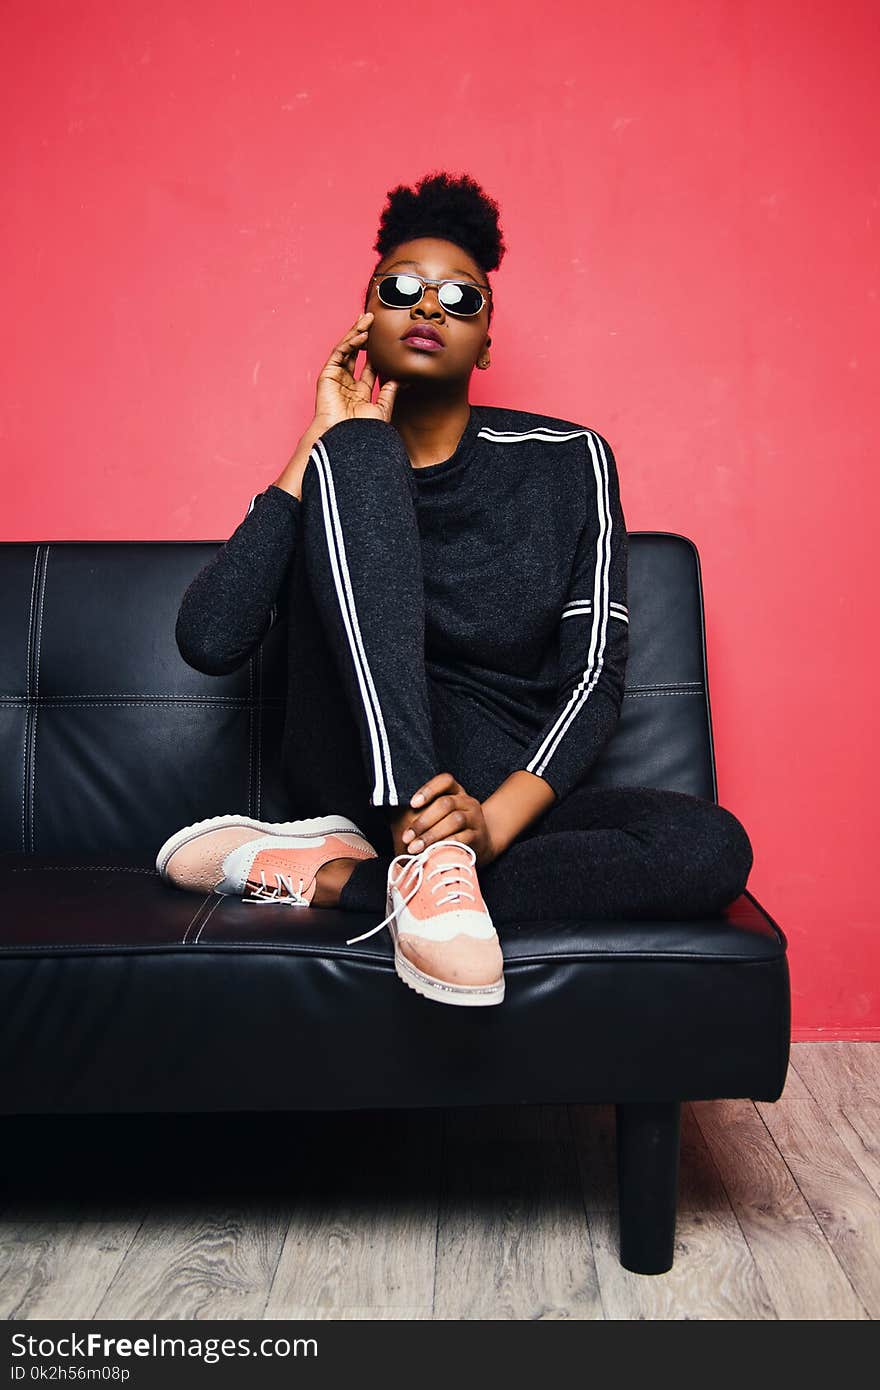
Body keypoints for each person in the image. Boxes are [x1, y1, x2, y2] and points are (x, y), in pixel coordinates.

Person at [157, 170, 753, 1009]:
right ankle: (420, 854)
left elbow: (593, 676)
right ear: (366, 316)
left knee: (709, 846)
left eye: (458, 298)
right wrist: (319, 442)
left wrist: (490, 823)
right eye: (402, 289)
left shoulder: (568, 462)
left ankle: (329, 877)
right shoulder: (337, 461)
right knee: (367, 449)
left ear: (487, 340)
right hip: (356, 773)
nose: (428, 308)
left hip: (490, 787)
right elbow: (210, 639)